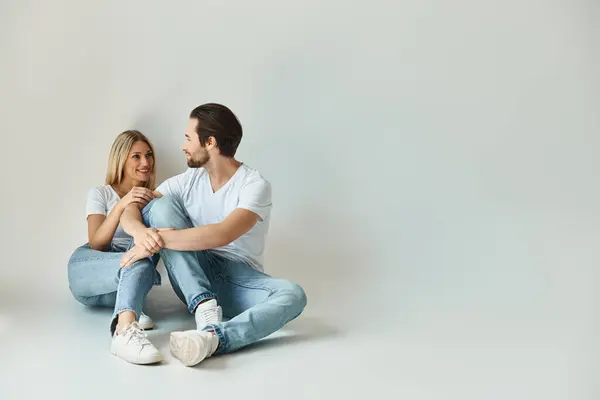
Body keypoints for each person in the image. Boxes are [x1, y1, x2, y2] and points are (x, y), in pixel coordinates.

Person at [119, 103, 307, 367]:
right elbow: (132, 207)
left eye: (188, 138)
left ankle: (212, 338)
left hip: (238, 282)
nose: (183, 145)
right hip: (194, 271)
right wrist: (142, 235)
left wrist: (155, 242)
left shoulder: (254, 185)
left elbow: (222, 234)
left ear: (209, 142)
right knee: (161, 205)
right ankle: (204, 307)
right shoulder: (189, 179)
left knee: (294, 295)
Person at [67, 130, 163, 365]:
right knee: (139, 260)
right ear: (121, 159)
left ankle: (125, 323)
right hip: (93, 266)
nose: (145, 162)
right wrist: (121, 205)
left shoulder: (154, 198)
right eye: (136, 156)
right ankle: (130, 317)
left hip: (127, 276)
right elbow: (97, 242)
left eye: (148, 155)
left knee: (142, 258)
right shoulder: (100, 193)